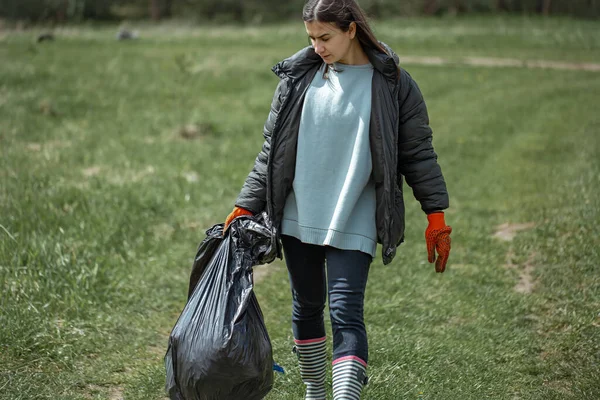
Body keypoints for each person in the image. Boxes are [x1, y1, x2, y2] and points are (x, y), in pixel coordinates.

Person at [224, 0, 452, 398]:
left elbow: (418, 153)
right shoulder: (297, 81)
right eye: (311, 39)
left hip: (355, 215)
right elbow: (271, 152)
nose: (318, 48)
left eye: (325, 37)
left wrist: (436, 215)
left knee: (346, 312)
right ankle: (315, 391)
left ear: (351, 30)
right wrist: (246, 204)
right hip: (299, 213)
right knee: (307, 307)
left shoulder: (394, 85)